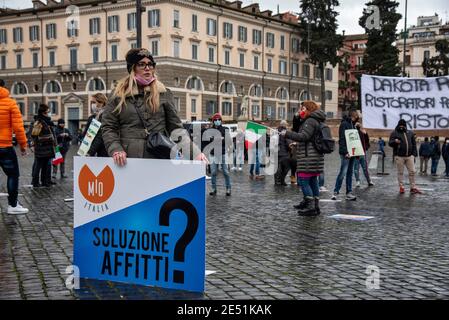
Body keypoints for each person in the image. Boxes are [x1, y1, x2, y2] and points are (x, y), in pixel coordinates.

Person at [101, 48, 205, 166]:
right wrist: (116, 149)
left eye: (150, 64)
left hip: (158, 157)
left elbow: (176, 129)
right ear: (132, 68)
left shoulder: (164, 93)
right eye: (142, 64)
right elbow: (108, 127)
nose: (147, 68)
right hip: (128, 161)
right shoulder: (118, 95)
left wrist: (195, 153)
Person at [282, 100, 325, 216]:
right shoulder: (313, 120)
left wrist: (287, 134)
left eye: (302, 109)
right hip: (313, 156)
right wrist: (297, 118)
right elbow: (305, 135)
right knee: (312, 181)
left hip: (308, 157)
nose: (300, 111)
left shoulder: (310, 121)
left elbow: (303, 136)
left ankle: (311, 206)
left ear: (309, 109)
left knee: (303, 180)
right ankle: (315, 206)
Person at [0, 79, 29, 214]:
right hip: (5, 146)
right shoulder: (10, 103)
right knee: (13, 175)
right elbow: (18, 127)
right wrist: (23, 145)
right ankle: (12, 205)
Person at [331, 109, 358, 201]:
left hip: (353, 153)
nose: (356, 118)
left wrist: (356, 152)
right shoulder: (344, 124)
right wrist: (346, 152)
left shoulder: (353, 125)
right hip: (346, 153)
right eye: (355, 116)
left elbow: (354, 141)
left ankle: (349, 192)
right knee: (343, 172)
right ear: (352, 116)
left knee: (350, 173)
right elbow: (342, 139)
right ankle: (336, 191)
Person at [388, 119, 421, 194]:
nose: (401, 126)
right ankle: (401, 187)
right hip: (399, 156)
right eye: (400, 125)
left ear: (405, 125)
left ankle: (412, 187)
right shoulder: (394, 133)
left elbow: (414, 144)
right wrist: (395, 142)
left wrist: (414, 154)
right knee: (400, 172)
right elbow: (390, 143)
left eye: (403, 125)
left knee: (412, 171)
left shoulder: (410, 133)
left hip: (409, 156)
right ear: (398, 125)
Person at [31, 104, 56, 188]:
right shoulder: (39, 122)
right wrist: (48, 137)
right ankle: (35, 182)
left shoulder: (48, 122)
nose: (49, 114)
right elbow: (34, 135)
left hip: (48, 148)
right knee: (38, 166)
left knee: (46, 166)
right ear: (43, 113)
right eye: (48, 112)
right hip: (41, 148)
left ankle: (45, 181)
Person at [208, 113, 232, 196]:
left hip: (222, 153)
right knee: (213, 172)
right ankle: (214, 189)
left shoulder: (225, 129)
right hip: (213, 154)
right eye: (216, 120)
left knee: (226, 172)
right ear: (213, 121)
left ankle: (228, 188)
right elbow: (209, 142)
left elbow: (227, 141)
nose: (217, 121)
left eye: (219, 120)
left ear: (221, 121)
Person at [353, 118, 375, 188]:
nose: (358, 124)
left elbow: (367, 140)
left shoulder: (363, 132)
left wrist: (365, 134)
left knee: (365, 168)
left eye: (358, 123)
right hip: (356, 153)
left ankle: (369, 181)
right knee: (356, 168)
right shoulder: (353, 132)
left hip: (362, 152)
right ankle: (357, 181)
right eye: (356, 123)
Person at [274, 120, 291, 186]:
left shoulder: (275, 131)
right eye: (287, 125)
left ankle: (277, 181)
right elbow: (288, 143)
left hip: (276, 152)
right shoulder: (285, 132)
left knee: (277, 167)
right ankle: (281, 180)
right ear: (284, 125)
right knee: (286, 167)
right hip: (283, 152)